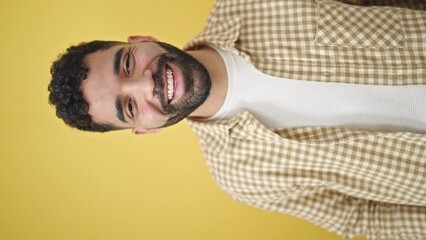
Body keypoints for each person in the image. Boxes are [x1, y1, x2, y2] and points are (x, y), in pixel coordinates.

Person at [48, 0, 426, 239]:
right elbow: (363, 219)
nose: (146, 84)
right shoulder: (239, 178)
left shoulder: (251, 3)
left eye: (127, 62)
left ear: (142, 37)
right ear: (143, 129)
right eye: (129, 106)